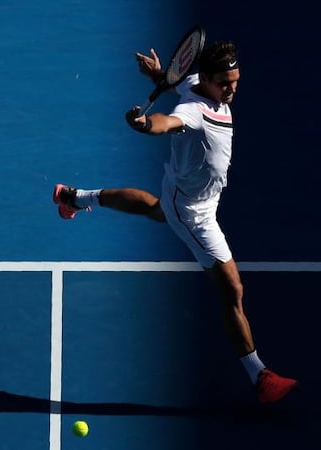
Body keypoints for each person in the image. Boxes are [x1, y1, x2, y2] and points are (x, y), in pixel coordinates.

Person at [52, 39, 298, 404]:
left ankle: (74, 196)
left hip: (188, 192)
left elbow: (177, 80)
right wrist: (144, 125)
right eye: (225, 83)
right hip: (195, 213)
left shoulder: (198, 81)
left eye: (236, 81)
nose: (232, 90)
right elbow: (167, 122)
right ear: (209, 80)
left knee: (156, 208)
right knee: (232, 289)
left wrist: (159, 75)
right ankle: (259, 376)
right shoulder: (194, 110)